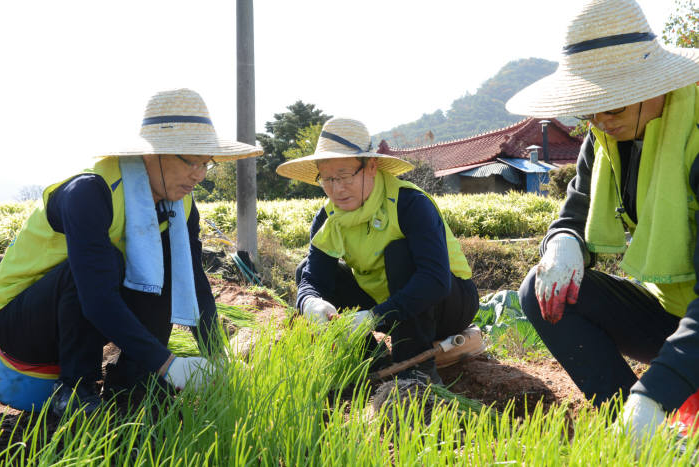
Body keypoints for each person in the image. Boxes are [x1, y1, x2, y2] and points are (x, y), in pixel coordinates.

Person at [0, 88, 262, 416]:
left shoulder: (179, 205)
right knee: (105, 262)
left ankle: (133, 384)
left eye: (205, 163)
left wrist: (216, 358)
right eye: (189, 160)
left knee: (167, 264)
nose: (199, 174)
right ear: (151, 153)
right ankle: (77, 391)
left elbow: (191, 280)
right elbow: (95, 297)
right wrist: (169, 365)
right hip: (18, 331)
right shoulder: (89, 193)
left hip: (76, 325)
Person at [506, 0, 699, 441]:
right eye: (589, 109)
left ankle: (649, 409)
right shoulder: (605, 140)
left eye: (610, 108)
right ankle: (634, 430)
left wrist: (657, 391)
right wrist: (563, 241)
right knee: (544, 292)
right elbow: (574, 211)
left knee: (659, 394)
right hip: (675, 315)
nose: (599, 122)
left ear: (656, 84)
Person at [276, 117, 483, 384]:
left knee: (398, 252)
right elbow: (312, 278)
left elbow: (434, 280)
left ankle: (416, 371)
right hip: (388, 305)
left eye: (344, 176)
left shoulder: (409, 204)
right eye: (327, 179)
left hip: (446, 304)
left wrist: (373, 317)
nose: (337, 189)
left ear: (371, 166)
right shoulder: (329, 217)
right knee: (305, 268)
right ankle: (369, 358)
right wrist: (310, 302)